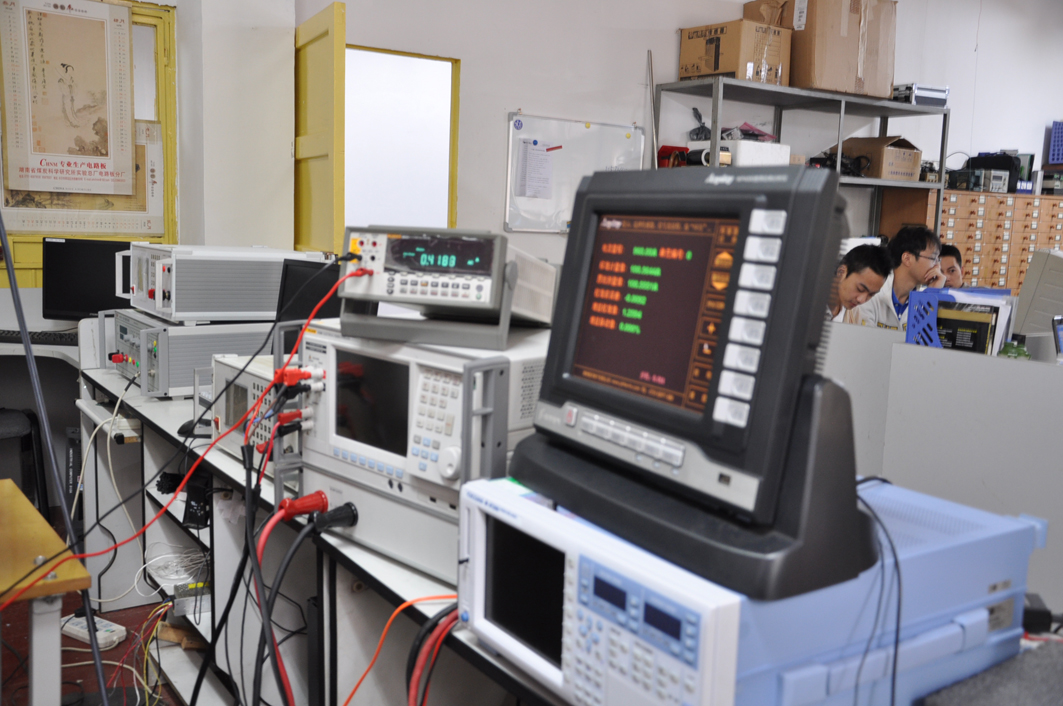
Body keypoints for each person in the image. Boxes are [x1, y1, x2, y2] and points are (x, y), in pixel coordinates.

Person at [848, 225, 946, 331]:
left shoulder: (922, 299)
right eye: (933, 258)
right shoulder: (871, 292)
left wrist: (932, 295)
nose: (938, 267)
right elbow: (863, 338)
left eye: (938, 260)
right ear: (907, 258)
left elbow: (923, 339)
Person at [826, 244, 891, 322]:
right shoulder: (813, 301)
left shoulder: (855, 314)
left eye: (871, 294)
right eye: (860, 289)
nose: (862, 300)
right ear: (841, 272)